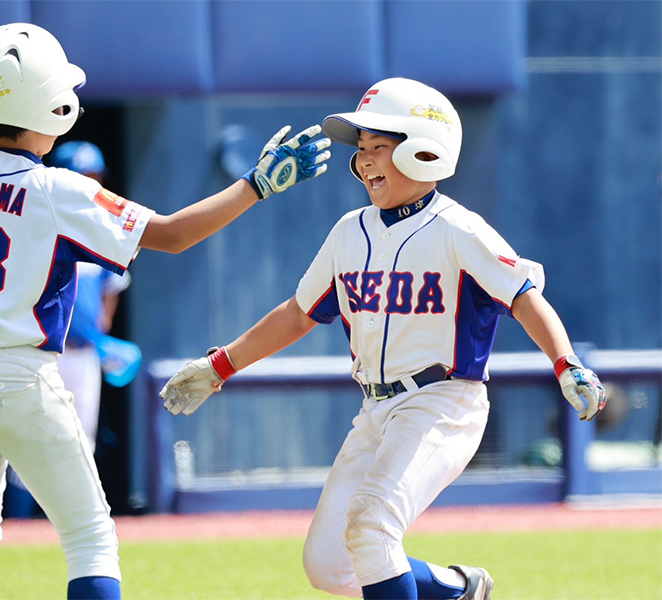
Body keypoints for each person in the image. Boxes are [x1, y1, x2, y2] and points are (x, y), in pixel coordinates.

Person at [0, 22, 330, 600]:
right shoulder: (55, 187)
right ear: (48, 102)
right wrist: (255, 185)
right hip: (20, 375)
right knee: (90, 540)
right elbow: (172, 235)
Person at [160, 77, 606, 600]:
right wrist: (220, 366)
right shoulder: (350, 230)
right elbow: (297, 315)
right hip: (375, 409)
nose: (364, 160)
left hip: (443, 401)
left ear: (424, 150)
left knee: (372, 527)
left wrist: (565, 362)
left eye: (379, 146)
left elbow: (525, 296)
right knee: (329, 566)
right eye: (361, 149)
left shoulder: (459, 229)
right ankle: (460, 590)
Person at [4, 141, 140, 518]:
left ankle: (73, 519)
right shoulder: (36, 222)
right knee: (28, 439)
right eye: (84, 176)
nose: (91, 183)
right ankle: (20, 521)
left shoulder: (100, 228)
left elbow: (113, 286)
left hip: (81, 354)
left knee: (81, 440)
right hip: (38, 351)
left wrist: (102, 328)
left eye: (94, 176)